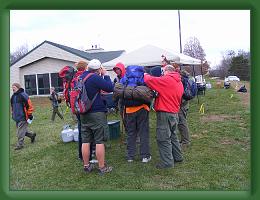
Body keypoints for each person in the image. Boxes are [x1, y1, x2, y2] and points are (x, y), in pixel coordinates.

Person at [144, 65, 184, 169]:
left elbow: (149, 80)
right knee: (173, 136)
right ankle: (178, 157)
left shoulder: (167, 80)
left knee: (163, 138)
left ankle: (167, 163)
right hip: (175, 113)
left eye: (163, 71)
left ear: (166, 71)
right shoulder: (178, 81)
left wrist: (144, 74)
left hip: (165, 113)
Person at [80, 59, 114, 174]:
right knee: (99, 141)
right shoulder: (94, 77)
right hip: (96, 113)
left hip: (83, 112)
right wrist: (106, 75)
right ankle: (102, 167)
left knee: (85, 140)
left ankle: (86, 166)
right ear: (98, 69)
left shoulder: (80, 77)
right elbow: (110, 87)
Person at [120, 65, 151, 163]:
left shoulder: (124, 79)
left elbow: (119, 92)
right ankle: (145, 156)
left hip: (129, 110)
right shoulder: (144, 78)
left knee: (131, 133)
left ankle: (130, 156)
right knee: (143, 132)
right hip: (142, 108)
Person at [10, 83, 36, 150]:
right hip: (17, 117)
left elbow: (29, 105)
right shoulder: (13, 96)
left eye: (14, 87)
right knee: (22, 131)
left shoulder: (23, 95)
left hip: (23, 117)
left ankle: (20, 145)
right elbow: (12, 107)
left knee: (20, 132)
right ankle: (32, 135)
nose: (13, 89)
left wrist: (29, 114)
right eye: (12, 87)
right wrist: (12, 114)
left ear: (18, 87)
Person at [173, 64, 191, 149]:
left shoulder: (181, 79)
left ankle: (185, 141)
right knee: (182, 122)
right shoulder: (185, 78)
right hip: (185, 103)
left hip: (182, 104)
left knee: (182, 122)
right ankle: (184, 139)